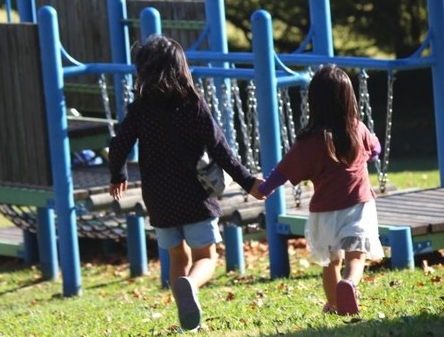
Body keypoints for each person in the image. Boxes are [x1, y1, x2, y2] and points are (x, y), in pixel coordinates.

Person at [108, 34, 263, 330]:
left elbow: (119, 145)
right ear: (181, 67)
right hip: (195, 195)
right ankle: (191, 284)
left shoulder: (141, 109)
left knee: (177, 255)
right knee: (206, 256)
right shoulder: (193, 105)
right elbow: (221, 149)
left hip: (159, 198)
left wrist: (118, 175)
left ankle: (188, 322)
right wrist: (248, 182)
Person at [252, 64, 385, 316]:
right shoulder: (357, 128)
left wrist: (266, 187)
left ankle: (335, 304)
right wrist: (370, 155)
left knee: (330, 262)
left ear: (314, 102)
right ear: (349, 99)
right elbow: (376, 149)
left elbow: (283, 170)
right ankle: (350, 284)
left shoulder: (310, 140)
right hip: (358, 206)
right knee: (356, 257)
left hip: (325, 213)